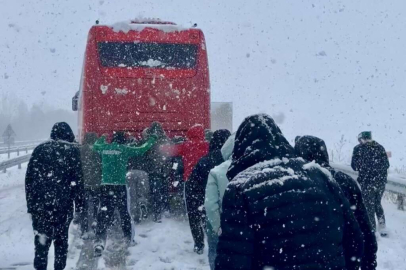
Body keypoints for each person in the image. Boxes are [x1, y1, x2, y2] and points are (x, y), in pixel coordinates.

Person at [215, 114, 364, 270]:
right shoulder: (321, 176)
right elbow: (355, 240)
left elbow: (232, 260)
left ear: (241, 147)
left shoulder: (240, 187)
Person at [295, 135, 377, 270]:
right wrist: (368, 264)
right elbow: (365, 230)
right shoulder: (344, 181)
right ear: (324, 153)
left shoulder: (295, 185)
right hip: (345, 258)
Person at [25, 122, 84, 270]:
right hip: (63, 205)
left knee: (41, 242)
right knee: (61, 241)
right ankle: (59, 266)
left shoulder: (39, 150)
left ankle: (40, 266)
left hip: (40, 207)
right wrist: (80, 206)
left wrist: (31, 206)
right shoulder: (72, 151)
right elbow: (78, 181)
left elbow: (29, 180)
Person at [93, 131, 157, 257]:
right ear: (123, 140)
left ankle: (99, 241)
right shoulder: (124, 149)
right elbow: (141, 150)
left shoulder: (104, 148)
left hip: (105, 185)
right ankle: (128, 238)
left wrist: (101, 138)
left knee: (103, 214)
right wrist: (152, 139)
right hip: (120, 186)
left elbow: (95, 146)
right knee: (124, 213)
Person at [186, 129, 231, 254]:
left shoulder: (205, 160)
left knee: (207, 227)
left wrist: (195, 202)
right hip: (225, 202)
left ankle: (199, 245)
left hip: (202, 198)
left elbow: (192, 183)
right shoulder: (232, 161)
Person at [204, 133, 235, 269]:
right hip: (242, 226)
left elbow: (210, 205)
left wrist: (217, 227)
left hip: (221, 221)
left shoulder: (217, 171)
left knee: (215, 253)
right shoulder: (254, 169)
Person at [351, 131, 390, 236]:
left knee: (369, 206)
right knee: (377, 203)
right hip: (380, 181)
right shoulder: (380, 147)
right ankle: (382, 227)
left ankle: (372, 230)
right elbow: (387, 164)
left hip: (367, 182)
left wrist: (364, 167)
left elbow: (354, 166)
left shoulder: (358, 149)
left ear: (362, 139)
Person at [143, 122, 172, 222]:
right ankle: (167, 209)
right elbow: (171, 153)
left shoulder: (150, 140)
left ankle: (157, 213)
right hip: (165, 169)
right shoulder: (166, 139)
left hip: (153, 170)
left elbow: (144, 152)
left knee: (155, 192)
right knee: (165, 190)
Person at [80, 132, 102, 239]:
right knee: (96, 203)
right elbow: (101, 165)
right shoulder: (98, 149)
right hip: (96, 182)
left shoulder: (81, 150)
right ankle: (95, 222)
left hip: (84, 182)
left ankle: (84, 229)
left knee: (84, 206)